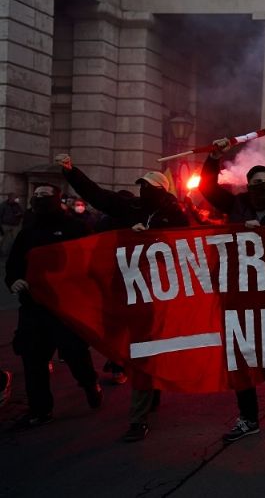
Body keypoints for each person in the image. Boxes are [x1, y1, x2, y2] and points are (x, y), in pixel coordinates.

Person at [57, 153, 190, 442]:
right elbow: (96, 194)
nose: (144, 191)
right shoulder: (129, 205)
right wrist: (71, 171)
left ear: (162, 191)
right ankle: (138, 378)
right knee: (121, 339)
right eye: (142, 185)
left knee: (145, 349)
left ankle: (137, 418)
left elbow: (188, 244)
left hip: (156, 291)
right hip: (122, 286)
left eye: (150, 187)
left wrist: (153, 235)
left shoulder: (175, 214)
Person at [200, 138, 265, 442]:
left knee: (264, 351)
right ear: (248, 185)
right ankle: (248, 418)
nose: (261, 186)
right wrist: (215, 156)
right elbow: (207, 188)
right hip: (234, 290)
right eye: (256, 182)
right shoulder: (236, 205)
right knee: (238, 353)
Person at [6, 183, 101, 428]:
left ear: (57, 199)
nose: (39, 198)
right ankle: (40, 409)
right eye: (36, 195)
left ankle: (89, 383)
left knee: (74, 353)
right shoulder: (28, 231)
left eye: (44, 195)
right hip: (34, 306)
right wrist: (14, 280)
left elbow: (92, 257)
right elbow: (15, 262)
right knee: (32, 357)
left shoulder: (76, 227)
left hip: (66, 307)